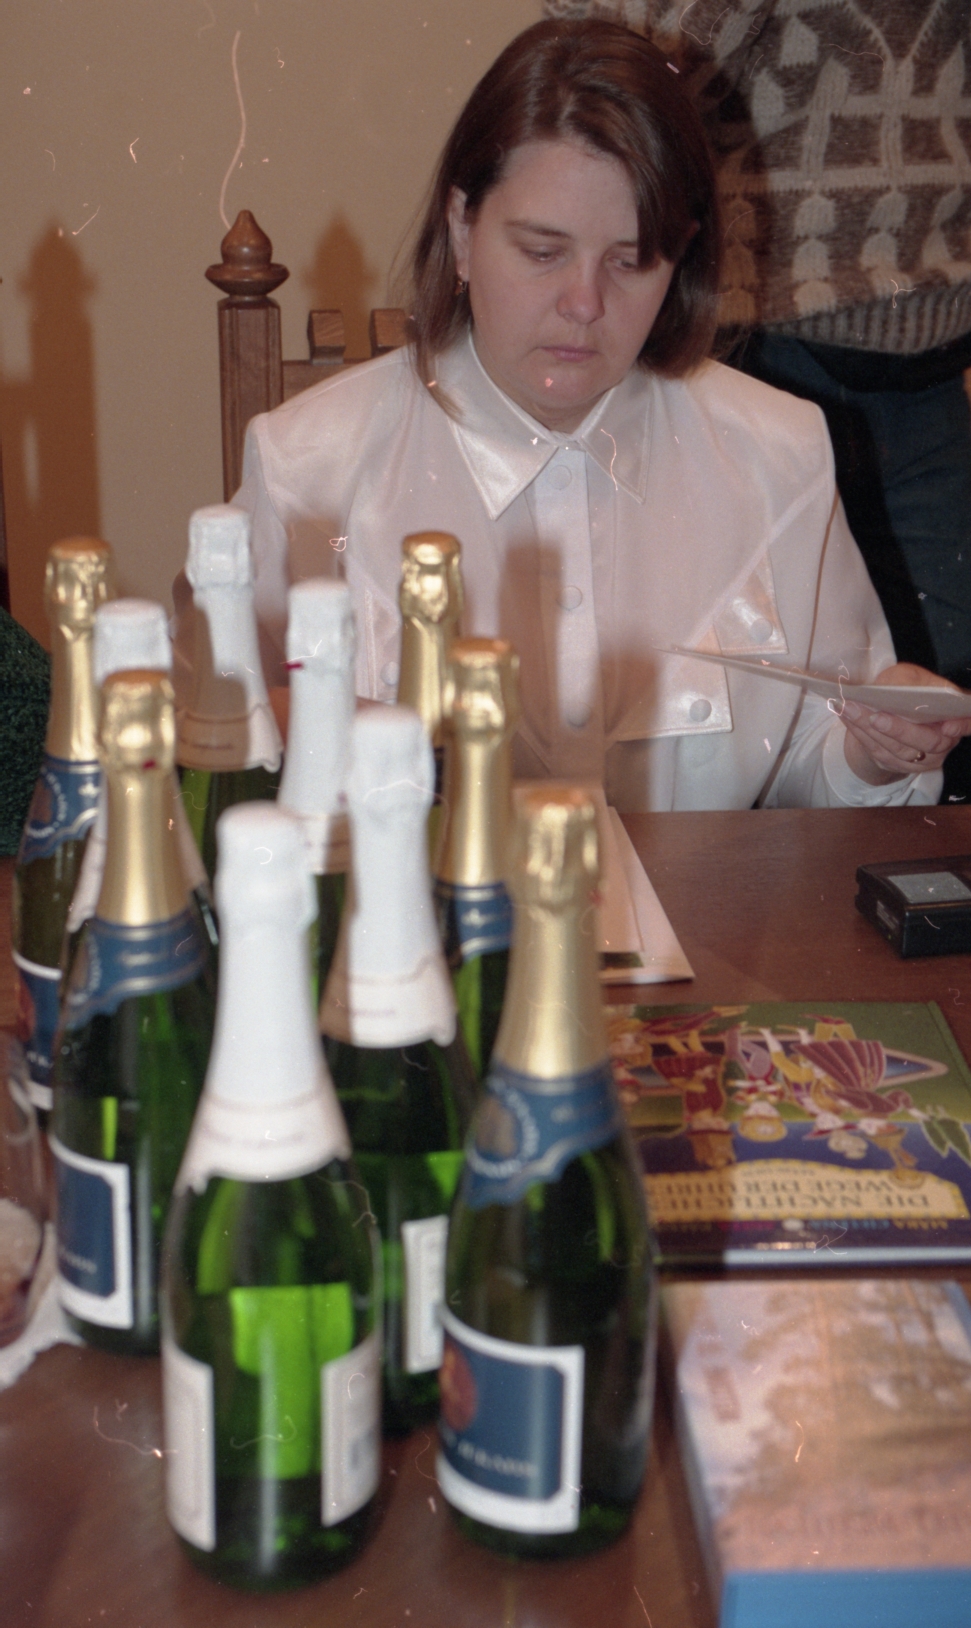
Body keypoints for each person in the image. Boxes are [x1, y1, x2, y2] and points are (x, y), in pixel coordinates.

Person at [222, 17, 971, 811]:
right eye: (542, 252)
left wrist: (871, 753)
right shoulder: (308, 467)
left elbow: (811, 768)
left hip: (693, 897)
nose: (584, 304)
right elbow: (235, 757)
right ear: (461, 230)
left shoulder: (777, 453)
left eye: (631, 260)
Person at [545, 0, 971, 800]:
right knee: (724, 738)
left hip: (933, 360)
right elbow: (610, 59)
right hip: (750, 347)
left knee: (919, 739)